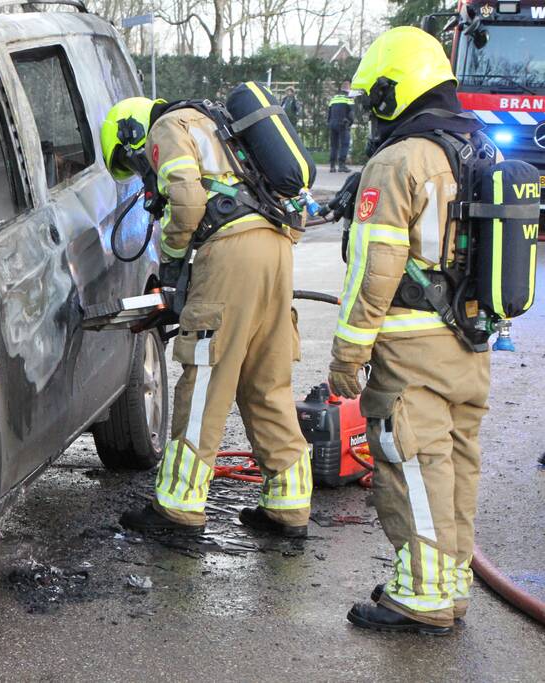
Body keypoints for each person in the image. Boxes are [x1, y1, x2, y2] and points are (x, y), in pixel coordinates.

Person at [328, 26, 492, 635]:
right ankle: (447, 585)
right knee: (455, 467)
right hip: (469, 345)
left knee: (415, 464)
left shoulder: (400, 160)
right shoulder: (476, 148)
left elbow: (375, 271)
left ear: (391, 92)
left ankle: (421, 597)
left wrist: (348, 353)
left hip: (413, 345)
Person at [100, 96, 313, 538]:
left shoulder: (167, 126)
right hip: (276, 248)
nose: (140, 171)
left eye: (131, 161)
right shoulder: (219, 122)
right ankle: (288, 508)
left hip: (231, 251)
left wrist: (174, 265)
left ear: (131, 133)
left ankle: (178, 507)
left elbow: (187, 197)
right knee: (266, 381)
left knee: (207, 379)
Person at [327, 82, 353, 173]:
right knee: (344, 144)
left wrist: (329, 123)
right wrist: (350, 123)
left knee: (334, 145)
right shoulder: (348, 98)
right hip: (343, 124)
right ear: (349, 89)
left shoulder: (334, 98)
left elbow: (329, 113)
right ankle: (341, 165)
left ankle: (332, 166)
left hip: (332, 124)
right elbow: (351, 113)